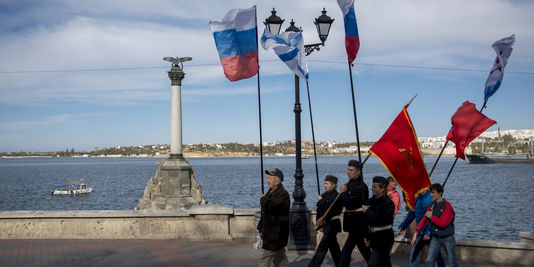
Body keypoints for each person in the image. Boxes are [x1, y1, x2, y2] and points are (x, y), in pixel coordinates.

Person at [414, 183, 459, 267]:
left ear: (440, 193)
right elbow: (425, 219)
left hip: (448, 238)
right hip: (435, 238)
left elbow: (443, 223)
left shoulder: (447, 206)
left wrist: (431, 217)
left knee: (452, 263)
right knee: (429, 261)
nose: (431, 194)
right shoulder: (432, 205)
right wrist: (416, 232)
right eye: (430, 192)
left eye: (433, 192)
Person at [398, 188, 445, 267]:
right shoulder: (416, 199)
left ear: (425, 188)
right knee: (414, 254)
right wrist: (402, 227)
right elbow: (411, 215)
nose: (417, 189)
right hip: (419, 232)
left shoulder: (431, 200)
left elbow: (433, 219)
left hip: (432, 233)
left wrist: (428, 233)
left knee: (436, 256)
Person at [339, 160, 371, 266]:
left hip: (358, 222)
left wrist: (342, 193)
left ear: (358, 172)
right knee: (364, 250)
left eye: (351, 170)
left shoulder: (361, 187)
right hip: (352, 223)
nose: (348, 172)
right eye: (348, 170)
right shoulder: (349, 184)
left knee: (346, 251)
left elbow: (350, 202)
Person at [257, 168, 290, 267]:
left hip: (276, 234)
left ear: (278, 180)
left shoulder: (283, 194)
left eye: (270, 178)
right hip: (270, 232)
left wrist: (263, 200)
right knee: (280, 258)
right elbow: (265, 213)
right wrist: (261, 228)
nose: (268, 180)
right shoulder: (270, 192)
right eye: (268, 178)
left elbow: (272, 207)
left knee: (265, 259)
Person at [309, 175, 343, 267]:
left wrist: (320, 202)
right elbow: (320, 212)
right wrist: (319, 225)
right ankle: (341, 264)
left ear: (333, 185)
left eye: (327, 184)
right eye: (324, 184)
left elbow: (329, 210)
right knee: (334, 248)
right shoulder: (323, 196)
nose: (325, 186)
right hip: (326, 225)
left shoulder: (337, 196)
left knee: (322, 248)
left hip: (332, 225)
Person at [362, 176, 395, 267]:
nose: (372, 188)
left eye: (375, 187)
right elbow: (366, 221)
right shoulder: (369, 201)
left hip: (384, 237)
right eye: (372, 186)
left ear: (382, 189)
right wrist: (367, 236)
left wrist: (368, 211)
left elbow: (381, 219)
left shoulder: (388, 203)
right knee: (384, 263)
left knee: (373, 263)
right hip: (373, 237)